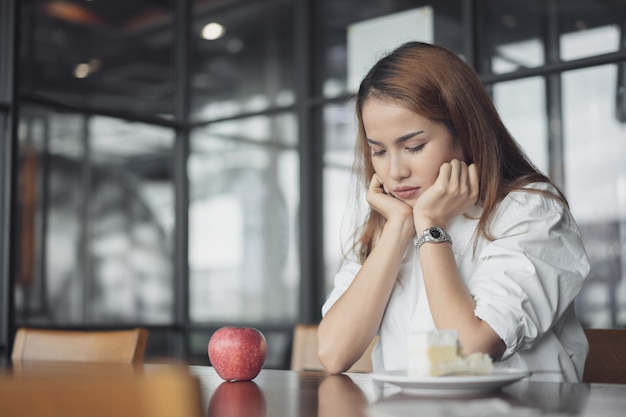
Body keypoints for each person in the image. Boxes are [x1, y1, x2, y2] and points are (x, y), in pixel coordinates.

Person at [317, 41, 590, 382]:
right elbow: (333, 352)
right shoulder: (389, 220)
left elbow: (469, 349)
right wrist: (400, 226)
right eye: (379, 152)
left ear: (465, 134)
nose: (395, 171)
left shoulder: (531, 212)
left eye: (413, 146)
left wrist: (430, 226)